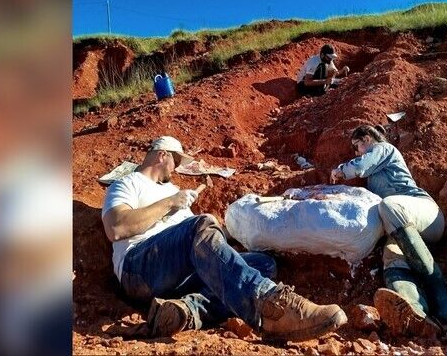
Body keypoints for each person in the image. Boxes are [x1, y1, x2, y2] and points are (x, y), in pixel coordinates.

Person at [101, 136, 347, 341]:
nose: (176, 168)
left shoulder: (173, 190)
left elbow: (204, 242)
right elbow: (116, 228)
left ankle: (188, 310)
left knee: (262, 263)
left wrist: (233, 235)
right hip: (140, 269)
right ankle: (270, 308)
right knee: (200, 224)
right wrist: (170, 203)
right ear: (162, 155)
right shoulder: (128, 184)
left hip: (178, 277)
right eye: (175, 161)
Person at [330, 125, 447, 335]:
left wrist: (340, 171)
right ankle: (416, 312)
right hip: (404, 227)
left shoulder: (383, 148)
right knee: (391, 256)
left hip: (425, 213)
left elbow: (361, 166)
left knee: (389, 205)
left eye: (357, 147)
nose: (356, 152)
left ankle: (441, 294)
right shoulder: (376, 177)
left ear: (367, 139)